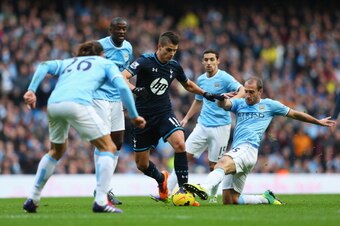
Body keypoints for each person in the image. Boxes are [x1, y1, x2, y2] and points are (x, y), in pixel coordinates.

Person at [22, 41, 146, 213]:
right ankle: (101, 201)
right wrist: (134, 115)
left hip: (54, 104)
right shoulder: (105, 63)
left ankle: (33, 198)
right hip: (78, 104)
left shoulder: (69, 62)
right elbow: (123, 88)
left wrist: (31, 89)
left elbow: (44, 65)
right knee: (109, 147)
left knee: (55, 151)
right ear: (101, 54)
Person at [183, 77, 336, 205]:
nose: (247, 95)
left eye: (251, 92)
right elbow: (225, 104)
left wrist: (318, 121)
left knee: (221, 163)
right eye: (246, 91)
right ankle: (265, 198)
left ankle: (205, 188)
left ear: (260, 92)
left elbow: (295, 114)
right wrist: (221, 99)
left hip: (248, 148)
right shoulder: (240, 103)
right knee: (230, 200)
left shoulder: (269, 105)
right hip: (241, 152)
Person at [122, 31, 219, 202]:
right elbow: (122, 77)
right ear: (159, 46)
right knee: (142, 165)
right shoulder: (145, 61)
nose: (172, 53)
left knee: (180, 143)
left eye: (174, 50)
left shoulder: (174, 66)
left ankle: (183, 189)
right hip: (142, 118)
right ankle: (162, 179)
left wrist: (205, 93)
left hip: (163, 113)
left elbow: (187, 84)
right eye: (168, 50)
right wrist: (134, 89)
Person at [167, 49, 245, 203]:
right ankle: (166, 192)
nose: (209, 63)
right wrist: (187, 118)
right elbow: (198, 101)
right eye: (206, 60)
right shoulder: (201, 79)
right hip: (202, 125)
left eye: (211, 60)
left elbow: (242, 90)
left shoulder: (224, 78)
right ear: (202, 62)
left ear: (218, 61)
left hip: (221, 127)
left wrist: (231, 102)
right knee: (182, 155)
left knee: (214, 165)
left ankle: (213, 196)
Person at [92, 17, 133, 205]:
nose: (122, 32)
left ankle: (105, 187)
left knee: (117, 142)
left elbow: (124, 75)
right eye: (118, 29)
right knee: (104, 142)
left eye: (124, 29)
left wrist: (126, 97)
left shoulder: (128, 48)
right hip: (100, 97)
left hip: (116, 99)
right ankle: (102, 189)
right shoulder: (99, 46)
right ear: (110, 29)